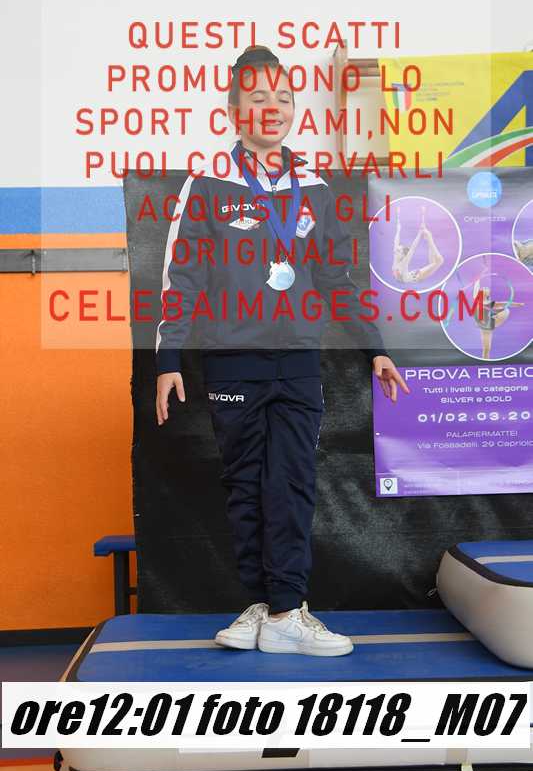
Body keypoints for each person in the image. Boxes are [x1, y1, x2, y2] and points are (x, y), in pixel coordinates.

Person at [155, 45, 409, 657]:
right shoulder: (207, 183)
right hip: (231, 362)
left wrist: (374, 349)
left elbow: (338, 279)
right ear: (234, 111)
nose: (273, 108)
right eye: (259, 98)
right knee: (244, 485)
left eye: (284, 99)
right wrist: (166, 360)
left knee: (291, 482)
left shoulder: (314, 187)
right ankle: (261, 605)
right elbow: (180, 278)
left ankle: (288, 610)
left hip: (296, 362)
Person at [392, 206, 444, 283]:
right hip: (414, 274)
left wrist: (420, 233)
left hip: (418, 276)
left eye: (398, 251)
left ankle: (429, 238)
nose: (396, 251)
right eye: (397, 250)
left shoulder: (404, 261)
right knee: (434, 262)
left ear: (403, 255)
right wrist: (398, 230)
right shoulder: (396, 258)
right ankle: (429, 239)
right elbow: (396, 242)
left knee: (439, 261)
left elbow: (413, 247)